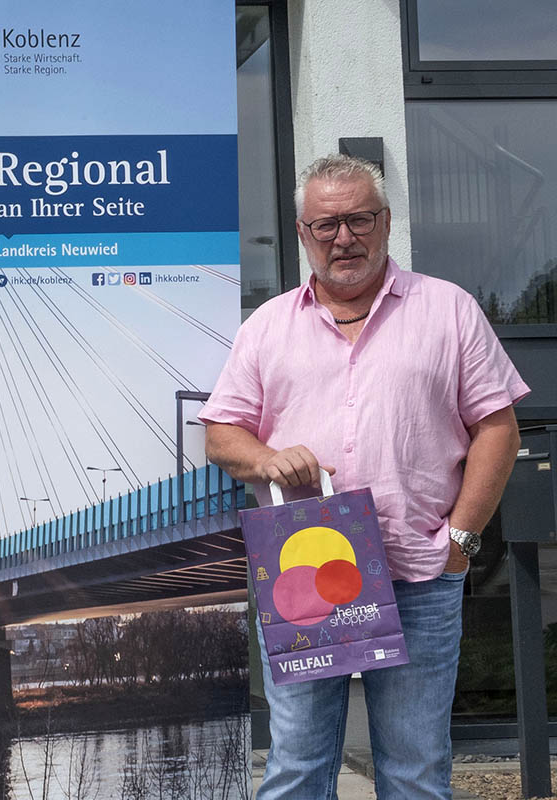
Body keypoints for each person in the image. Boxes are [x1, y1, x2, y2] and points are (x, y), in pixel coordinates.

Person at [200, 154, 528, 799]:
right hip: (303, 577)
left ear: (385, 222)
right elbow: (220, 434)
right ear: (302, 232)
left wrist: (459, 543)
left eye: (358, 219)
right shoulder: (267, 326)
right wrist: (266, 459)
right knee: (296, 762)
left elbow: (498, 430)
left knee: (414, 767)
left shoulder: (449, 310)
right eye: (326, 225)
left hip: (418, 572)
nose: (343, 238)